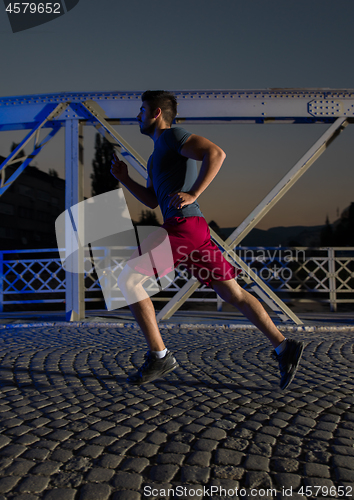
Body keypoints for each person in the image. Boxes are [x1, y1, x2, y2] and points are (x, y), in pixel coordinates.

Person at [110, 90, 304, 390]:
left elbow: (216, 153)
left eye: (142, 109)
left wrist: (194, 194)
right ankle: (283, 347)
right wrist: (124, 179)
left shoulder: (173, 136)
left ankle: (159, 355)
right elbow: (151, 200)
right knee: (233, 294)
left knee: (128, 281)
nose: (138, 115)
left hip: (183, 226)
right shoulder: (154, 156)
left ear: (156, 113)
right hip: (193, 230)